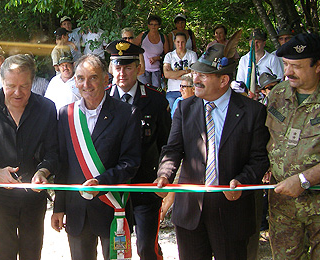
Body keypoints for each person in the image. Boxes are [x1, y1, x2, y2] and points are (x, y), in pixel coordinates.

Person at [155, 43, 270, 260]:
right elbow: (173, 149)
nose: (195, 79)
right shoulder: (184, 108)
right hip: (190, 213)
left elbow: (259, 159)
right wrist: (164, 175)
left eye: (203, 75)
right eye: (195, 72)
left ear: (223, 80)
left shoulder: (253, 112)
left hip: (232, 212)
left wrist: (241, 181)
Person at [0, 54, 59, 260]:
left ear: (32, 82)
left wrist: (43, 171)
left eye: (24, 86)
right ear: (1, 81)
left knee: (32, 253)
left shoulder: (46, 108)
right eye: (11, 86)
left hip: (33, 197)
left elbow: (54, 151)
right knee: (1, 254)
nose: (18, 92)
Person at [52, 54, 142, 260]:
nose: (87, 84)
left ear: (105, 80)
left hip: (112, 208)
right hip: (77, 211)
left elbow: (130, 163)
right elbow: (63, 165)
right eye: (81, 78)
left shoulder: (127, 113)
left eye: (93, 77)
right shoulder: (66, 115)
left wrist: (100, 183)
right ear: (75, 81)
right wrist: (59, 207)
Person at [106, 40, 171, 260]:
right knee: (116, 250)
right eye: (117, 67)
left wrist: (164, 178)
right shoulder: (101, 100)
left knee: (146, 248)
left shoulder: (155, 101)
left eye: (128, 67)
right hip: (112, 190)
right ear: (111, 69)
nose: (122, 73)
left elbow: (166, 144)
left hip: (145, 186)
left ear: (139, 68)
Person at [267, 33, 320, 259]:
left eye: (296, 66)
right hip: (283, 207)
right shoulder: (278, 94)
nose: (288, 72)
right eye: (286, 64)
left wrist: (304, 179)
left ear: (318, 66)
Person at [163, 32, 198, 111]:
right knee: (174, 112)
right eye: (178, 42)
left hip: (188, 89)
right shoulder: (169, 56)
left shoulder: (192, 55)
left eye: (182, 42)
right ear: (174, 42)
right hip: (172, 90)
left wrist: (174, 75)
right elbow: (167, 74)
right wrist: (186, 71)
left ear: (186, 42)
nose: (180, 45)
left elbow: (194, 73)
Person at [136, 15, 169, 88]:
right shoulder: (143, 35)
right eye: (151, 24)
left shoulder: (163, 37)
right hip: (143, 70)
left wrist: (158, 58)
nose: (153, 26)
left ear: (159, 26)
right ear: (148, 26)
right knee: (144, 90)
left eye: (156, 24)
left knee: (156, 91)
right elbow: (133, 47)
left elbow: (167, 55)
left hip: (157, 70)